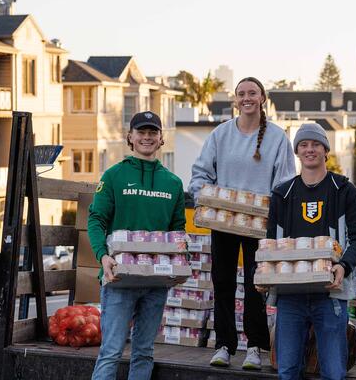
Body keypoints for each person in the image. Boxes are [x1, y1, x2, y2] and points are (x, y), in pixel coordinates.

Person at [189, 77, 296, 370]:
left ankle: (255, 347)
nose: (247, 98)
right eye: (241, 94)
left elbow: (285, 183)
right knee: (222, 282)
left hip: (260, 223)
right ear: (235, 99)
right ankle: (223, 345)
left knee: (255, 286)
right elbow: (200, 173)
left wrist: (276, 216)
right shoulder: (221, 134)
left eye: (252, 93)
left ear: (262, 97)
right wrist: (203, 196)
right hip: (223, 220)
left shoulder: (277, 138)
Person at [261, 122, 356, 380]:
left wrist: (343, 266)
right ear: (297, 152)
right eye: (304, 145)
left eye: (316, 144)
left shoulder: (343, 190)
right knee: (287, 371)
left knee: (333, 372)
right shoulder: (282, 194)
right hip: (290, 295)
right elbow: (270, 244)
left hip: (330, 295)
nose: (310, 150)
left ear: (326, 150)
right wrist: (263, 274)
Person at [87, 111, 187, 379]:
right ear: (129, 137)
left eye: (152, 132)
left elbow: (177, 230)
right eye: (141, 132)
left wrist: (180, 260)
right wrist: (102, 256)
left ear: (161, 138)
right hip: (118, 277)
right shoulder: (113, 176)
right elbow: (96, 220)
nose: (147, 137)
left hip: (156, 282)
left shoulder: (173, 183)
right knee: (111, 352)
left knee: (144, 352)